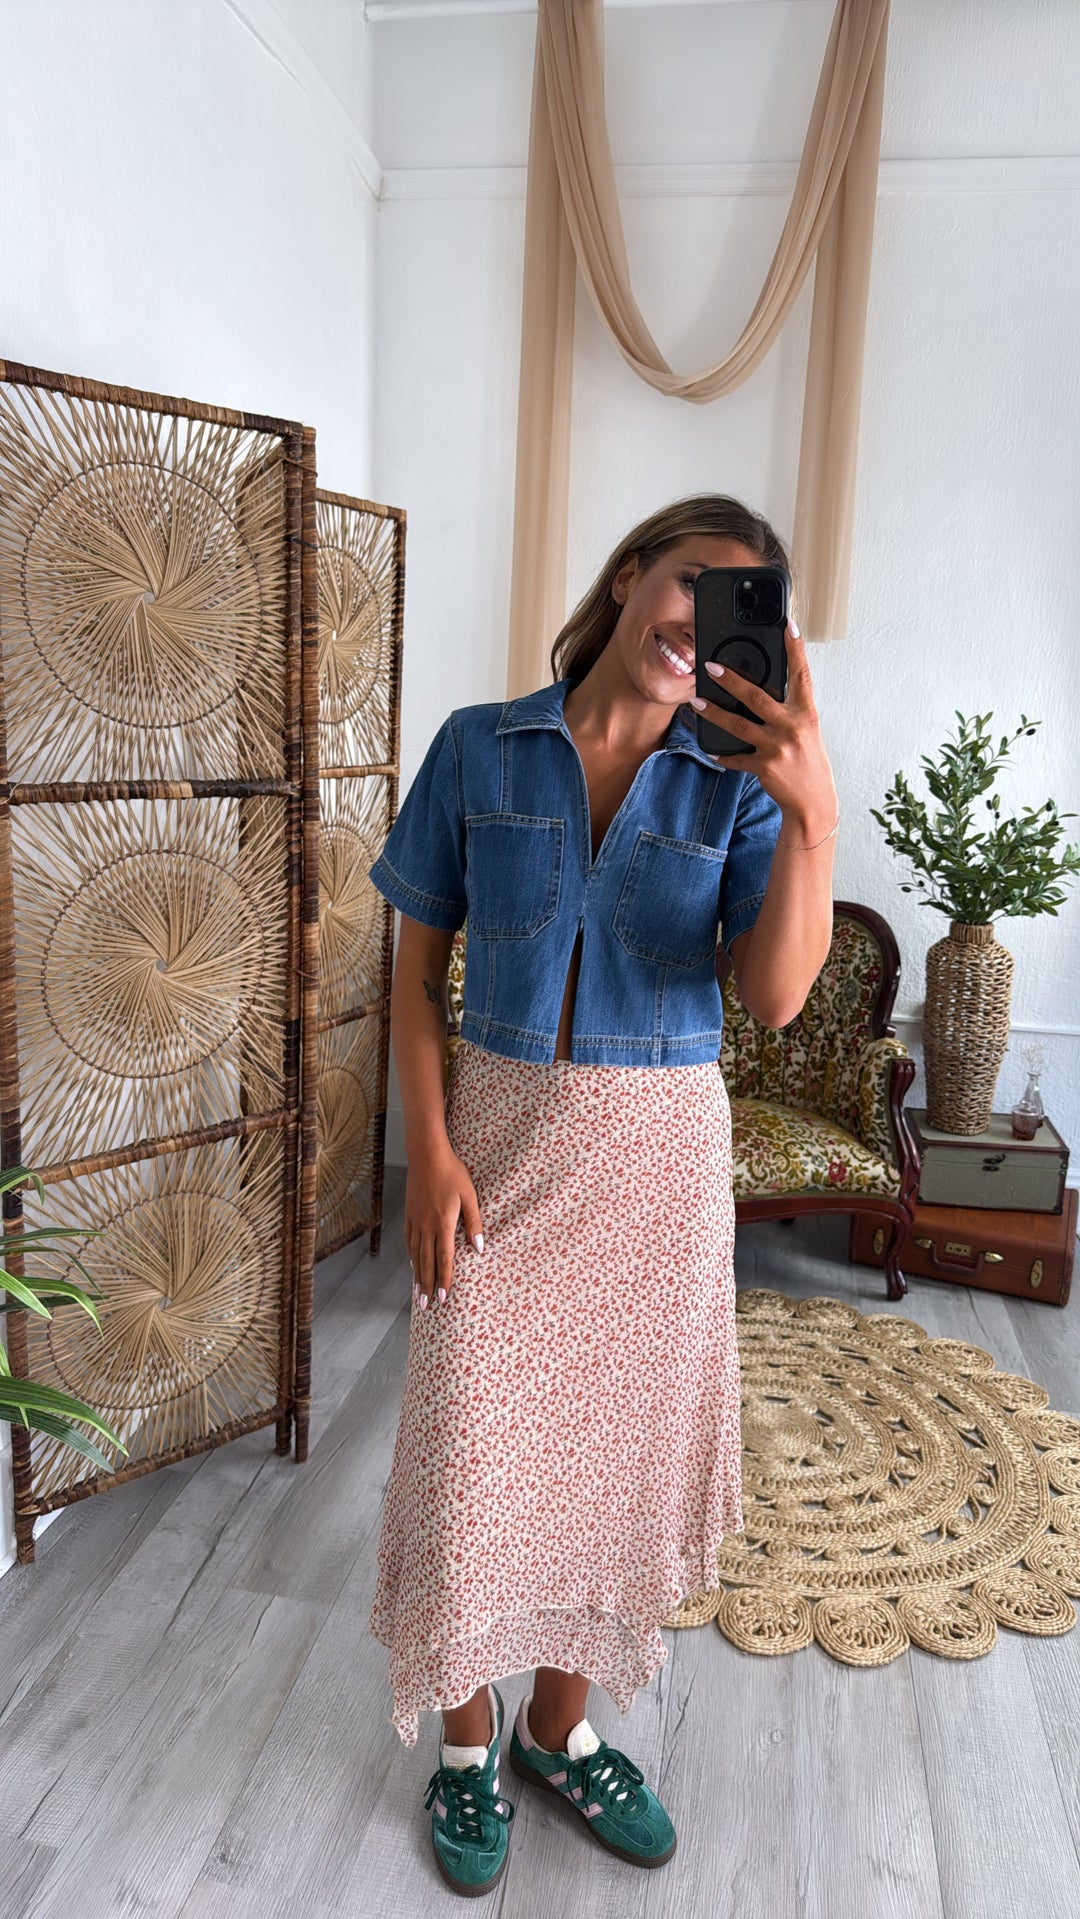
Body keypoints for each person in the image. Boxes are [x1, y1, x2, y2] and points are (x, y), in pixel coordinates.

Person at [367, 495, 838, 1896]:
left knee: (616, 1471)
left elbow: (775, 997)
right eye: (693, 582)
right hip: (496, 1154)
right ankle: (465, 1750)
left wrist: (813, 815)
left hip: (660, 1168)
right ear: (633, 574)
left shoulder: (734, 784)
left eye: (742, 606)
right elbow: (414, 972)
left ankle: (556, 1734)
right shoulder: (479, 747)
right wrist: (429, 1148)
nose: (701, 624)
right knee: (466, 1460)